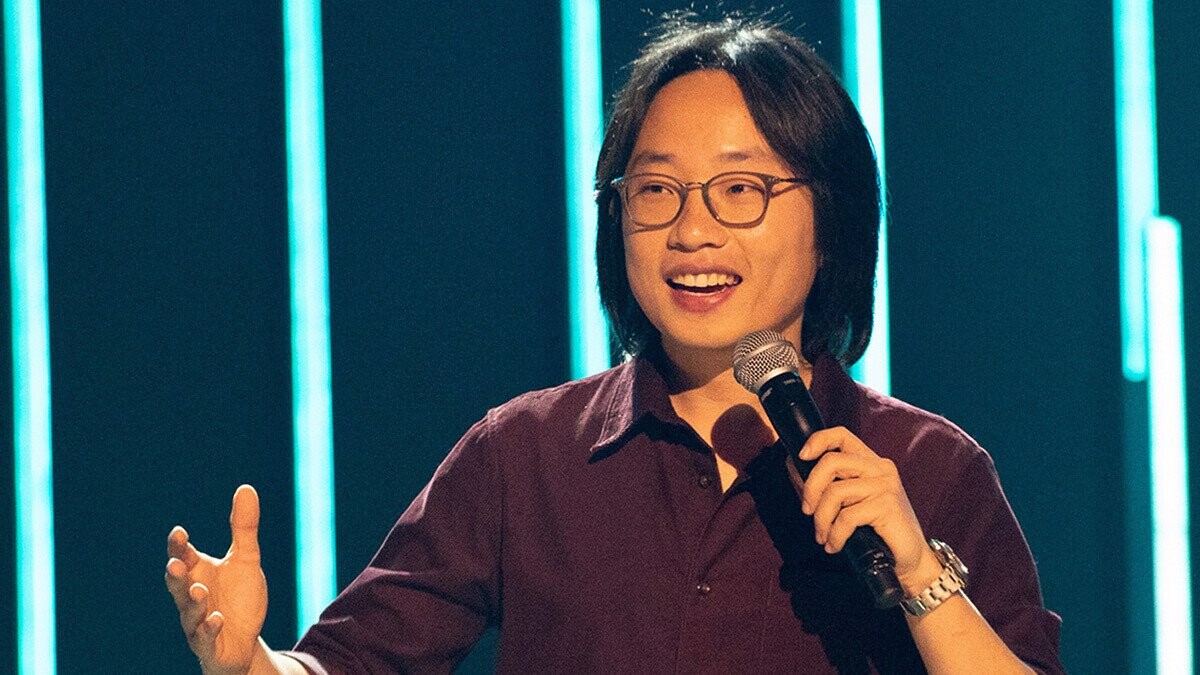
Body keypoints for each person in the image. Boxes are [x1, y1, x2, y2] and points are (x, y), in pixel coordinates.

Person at [165, 14, 1063, 673]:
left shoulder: (930, 468)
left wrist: (918, 571)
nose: (693, 232)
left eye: (740, 190)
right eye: (657, 191)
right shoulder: (525, 456)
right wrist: (248, 662)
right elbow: (357, 661)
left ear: (831, 219)